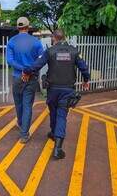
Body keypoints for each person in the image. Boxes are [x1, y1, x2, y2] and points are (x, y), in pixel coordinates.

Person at [24, 29, 90, 159]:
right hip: (67, 90)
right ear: (64, 37)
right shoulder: (74, 51)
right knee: (61, 115)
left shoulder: (50, 51)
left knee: (53, 111)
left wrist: (26, 71)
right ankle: (57, 144)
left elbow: (37, 65)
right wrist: (86, 80)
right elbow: (84, 67)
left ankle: (56, 141)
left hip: (53, 89)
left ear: (54, 38)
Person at [6, 17, 43, 144]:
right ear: (28, 26)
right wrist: (28, 71)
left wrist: (22, 70)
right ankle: (24, 135)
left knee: (19, 103)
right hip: (31, 78)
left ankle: (21, 123)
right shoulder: (36, 42)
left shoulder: (11, 41)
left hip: (17, 77)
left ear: (18, 27)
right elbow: (40, 60)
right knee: (27, 105)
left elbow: (10, 61)